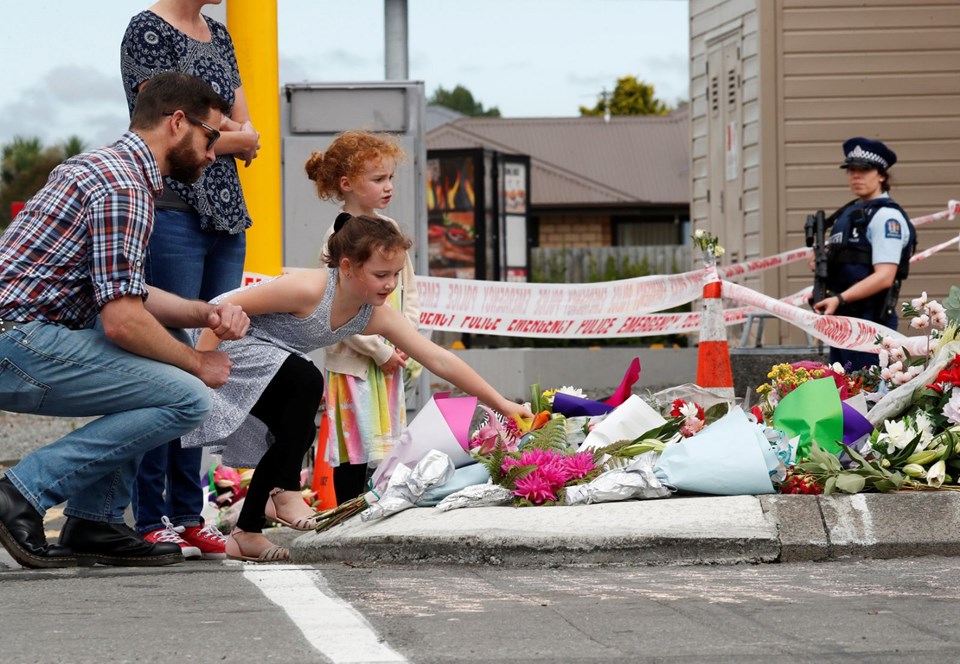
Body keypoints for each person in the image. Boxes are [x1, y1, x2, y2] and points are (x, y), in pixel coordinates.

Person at [0, 72, 250, 569]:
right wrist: (199, 363)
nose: (212, 154)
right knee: (186, 394)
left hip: (22, 337)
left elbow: (124, 293)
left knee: (167, 347)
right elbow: (121, 322)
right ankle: (19, 493)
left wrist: (202, 312)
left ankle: (96, 521)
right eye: (211, 137)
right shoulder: (125, 188)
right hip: (17, 344)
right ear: (178, 123)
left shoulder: (101, 167)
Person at [183, 213, 532, 562]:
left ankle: (248, 530)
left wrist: (502, 403)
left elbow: (439, 359)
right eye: (380, 275)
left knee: (295, 431)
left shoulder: (372, 314)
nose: (390, 284)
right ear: (347, 267)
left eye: (395, 274)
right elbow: (221, 309)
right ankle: (285, 490)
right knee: (306, 382)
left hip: (270, 356)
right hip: (224, 339)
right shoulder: (310, 289)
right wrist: (199, 366)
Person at [121, 0, 261, 559]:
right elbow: (170, 129)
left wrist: (226, 131)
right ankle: (150, 513)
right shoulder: (146, 30)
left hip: (227, 212)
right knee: (168, 354)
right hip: (176, 207)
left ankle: (188, 509)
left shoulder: (218, 33)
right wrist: (230, 134)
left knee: (214, 356)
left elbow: (242, 125)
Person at [309, 131, 420, 504]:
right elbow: (336, 308)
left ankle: (380, 512)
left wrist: (409, 339)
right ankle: (348, 515)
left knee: (389, 445)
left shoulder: (390, 229)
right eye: (378, 179)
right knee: (354, 448)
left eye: (390, 178)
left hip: (391, 358)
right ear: (347, 184)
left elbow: (410, 290)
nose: (388, 187)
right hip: (354, 363)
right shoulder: (336, 236)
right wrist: (378, 350)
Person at [811, 137, 916, 370]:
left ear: (881, 175)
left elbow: (884, 276)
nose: (856, 176)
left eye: (864, 170)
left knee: (867, 398)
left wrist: (839, 299)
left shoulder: (886, 217)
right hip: (841, 320)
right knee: (844, 395)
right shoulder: (848, 214)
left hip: (869, 321)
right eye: (851, 170)